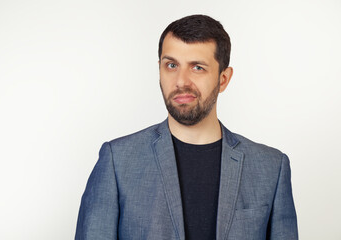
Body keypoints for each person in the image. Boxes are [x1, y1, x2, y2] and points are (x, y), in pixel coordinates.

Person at [75, 14, 298, 240]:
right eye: (171, 65)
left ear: (223, 79)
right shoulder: (117, 162)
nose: (181, 81)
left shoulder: (271, 168)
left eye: (197, 67)